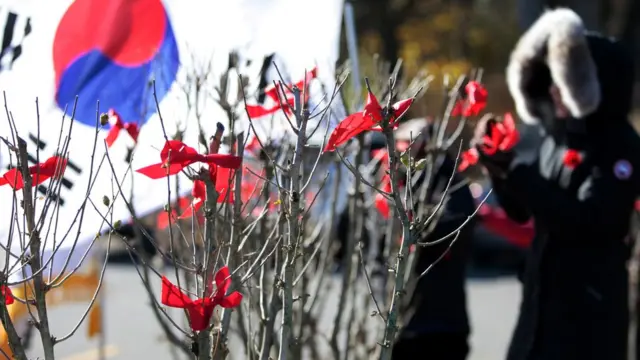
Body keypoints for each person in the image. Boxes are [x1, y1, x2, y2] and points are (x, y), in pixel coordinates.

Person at [475, 8, 640, 360]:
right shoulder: (557, 139)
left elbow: (592, 220)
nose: (553, 89)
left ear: (593, 84)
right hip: (540, 314)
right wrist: (497, 168)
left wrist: (519, 174)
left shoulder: (620, 145)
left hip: (587, 324)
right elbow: (523, 212)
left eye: (564, 79)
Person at [336, 118, 477, 360]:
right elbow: (358, 239)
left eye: (413, 141)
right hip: (396, 322)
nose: (406, 148)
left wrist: (403, 213)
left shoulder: (449, 181)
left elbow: (450, 228)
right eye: (402, 141)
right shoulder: (387, 181)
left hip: (440, 325)